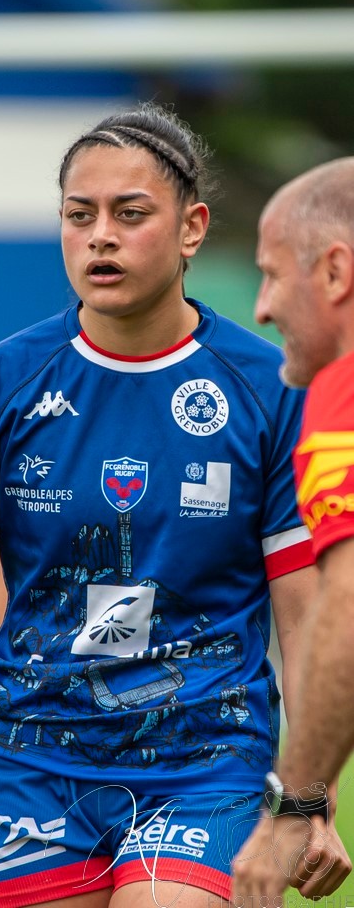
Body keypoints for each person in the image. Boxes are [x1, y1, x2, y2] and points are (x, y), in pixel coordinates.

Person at [0, 103, 349, 908]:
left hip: (206, 765)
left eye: (129, 214)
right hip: (34, 767)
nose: (99, 236)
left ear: (191, 230)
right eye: (78, 216)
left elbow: (304, 610)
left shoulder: (269, 389)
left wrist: (307, 797)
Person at [231, 157, 354, 905]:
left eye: (272, 275)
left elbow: (345, 610)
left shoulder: (341, 394)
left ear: (335, 271)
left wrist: (292, 808)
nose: (261, 306)